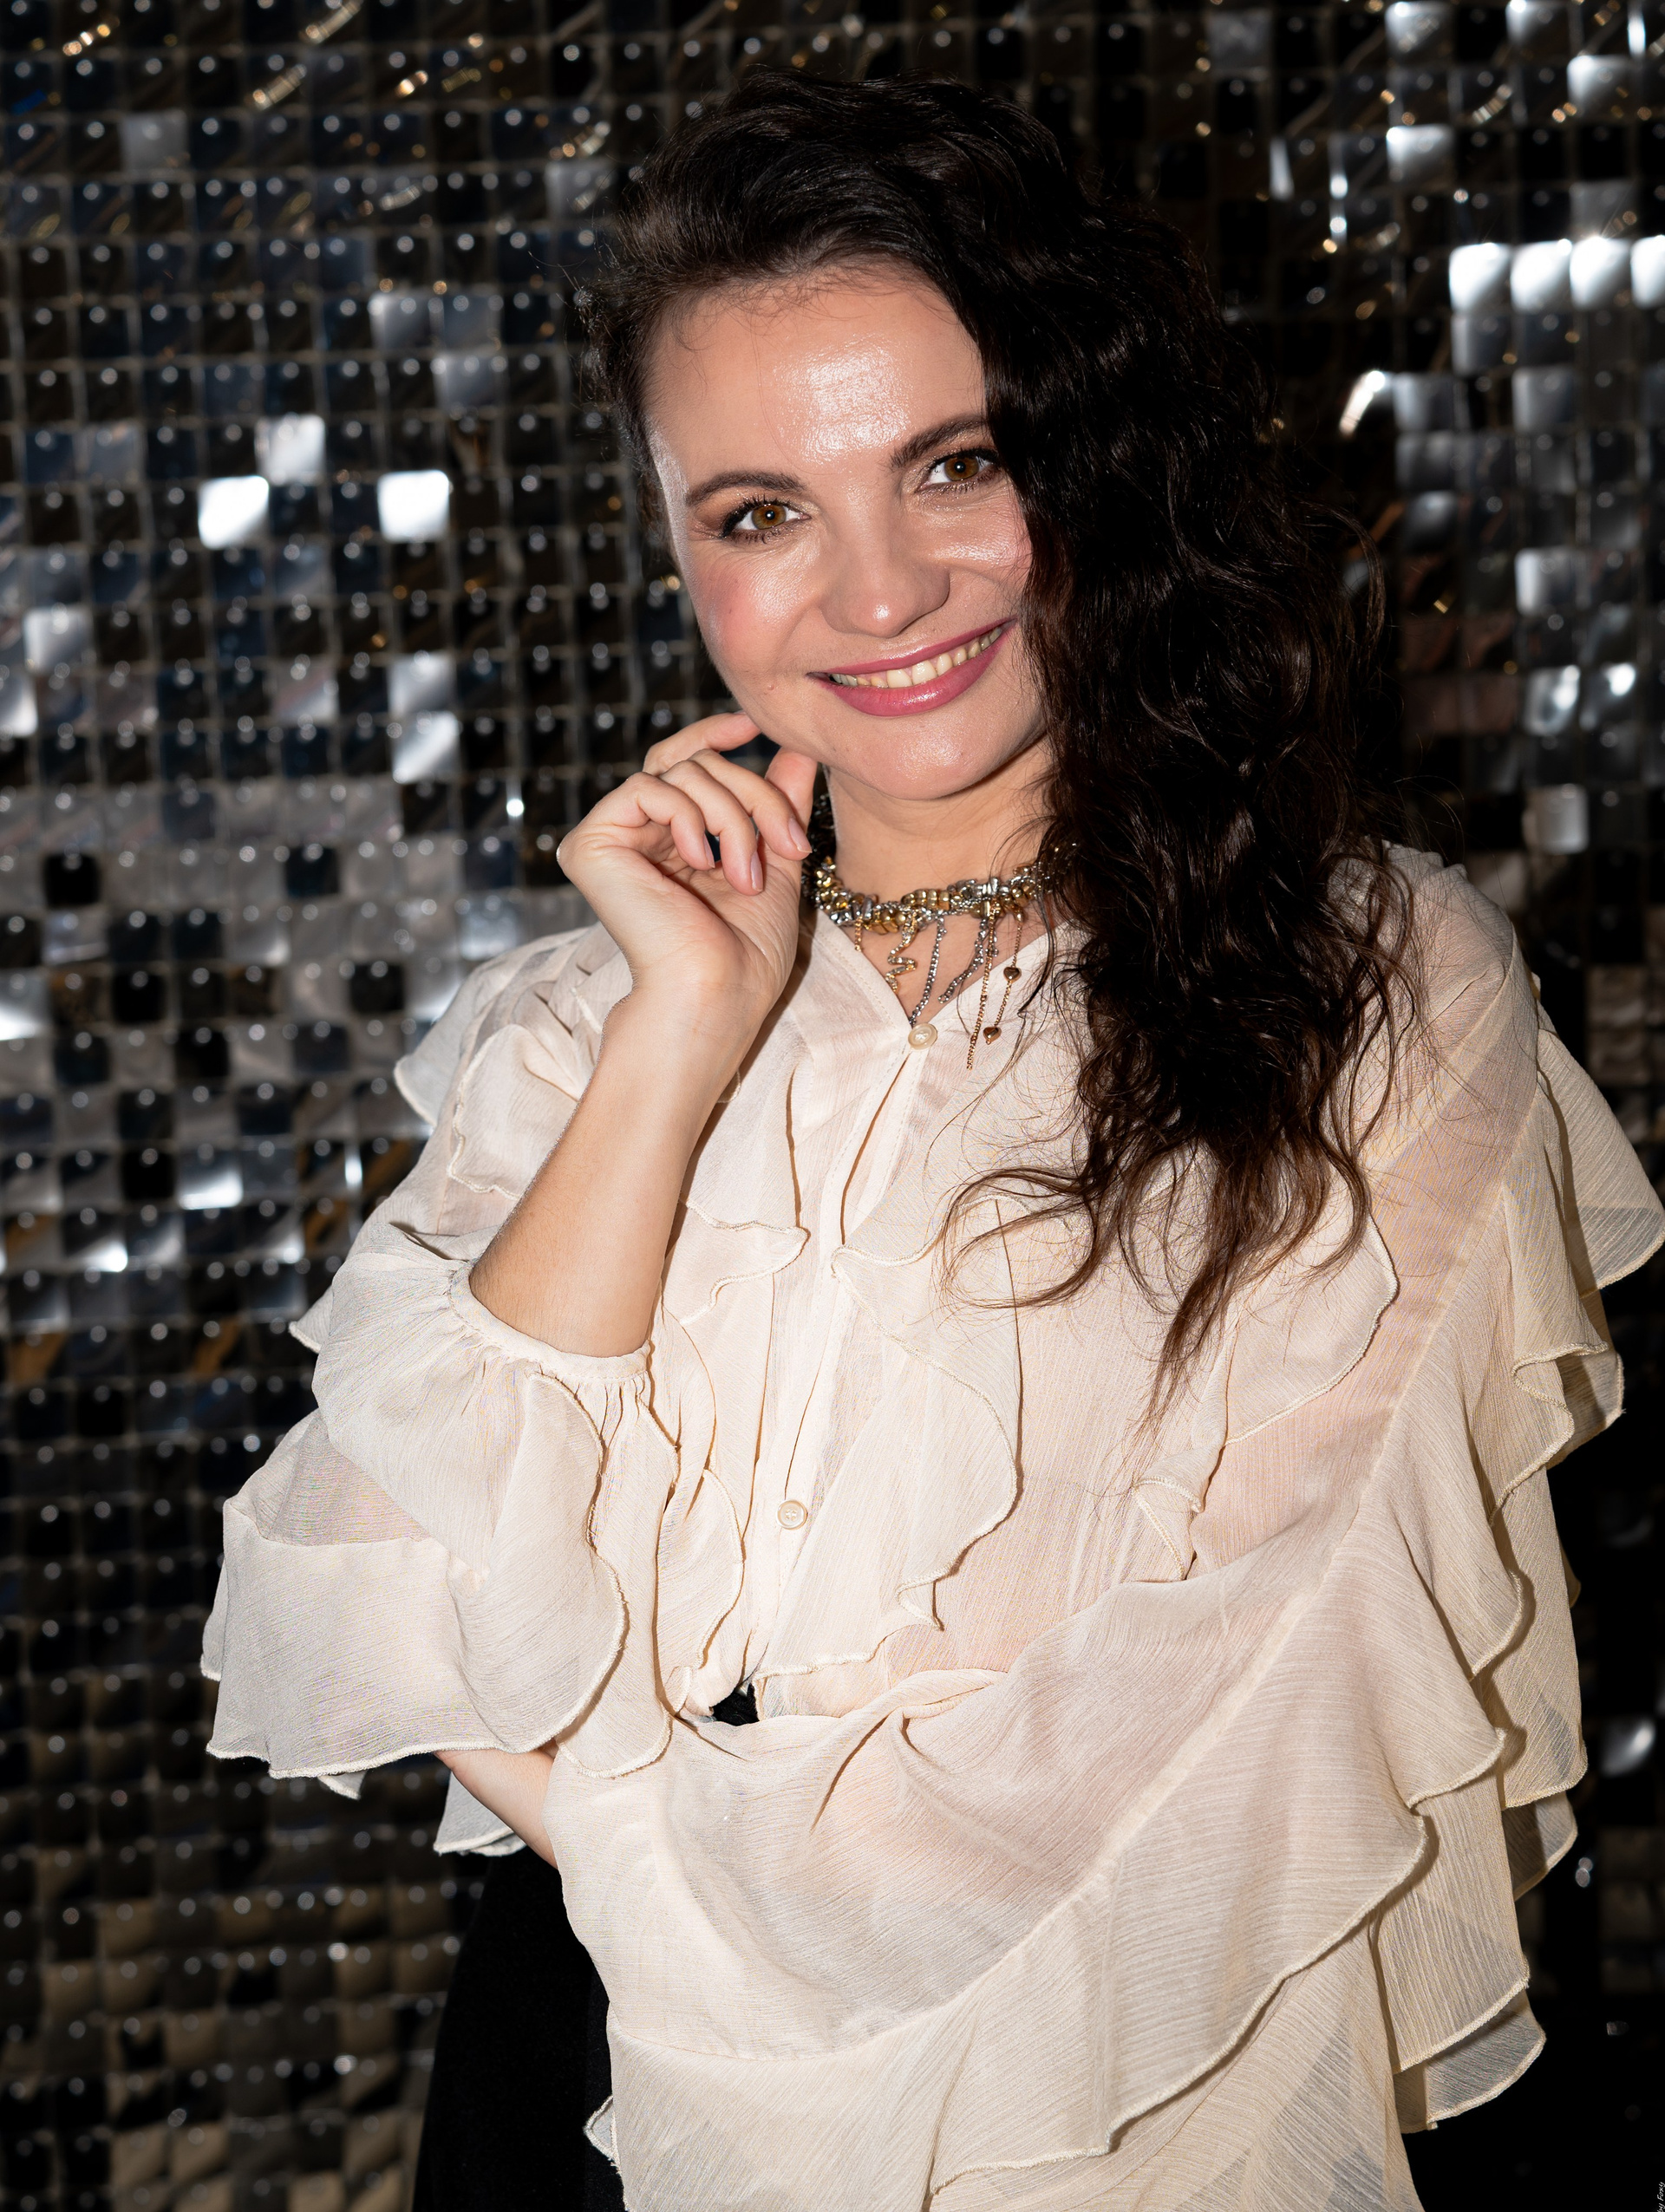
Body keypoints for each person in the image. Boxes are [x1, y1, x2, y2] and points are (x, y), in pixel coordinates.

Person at [204, 72, 1663, 2211]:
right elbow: (386, 1595)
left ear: (1096, 461)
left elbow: (1265, 1690)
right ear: (680, 546)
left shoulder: (1375, 987)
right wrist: (681, 1038)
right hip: (599, 2069)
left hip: (1141, 2068)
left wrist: (701, 1912)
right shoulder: (583, 1014)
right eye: (761, 512)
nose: (877, 592)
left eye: (954, 466)